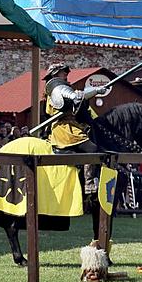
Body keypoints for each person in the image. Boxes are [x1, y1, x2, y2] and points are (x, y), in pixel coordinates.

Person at [43, 63, 106, 199]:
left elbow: (78, 100)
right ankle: (89, 184)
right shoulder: (55, 91)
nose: (66, 74)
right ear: (55, 75)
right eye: (63, 72)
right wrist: (83, 94)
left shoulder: (64, 89)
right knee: (92, 149)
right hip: (63, 128)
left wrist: (95, 91)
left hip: (72, 125)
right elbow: (73, 99)